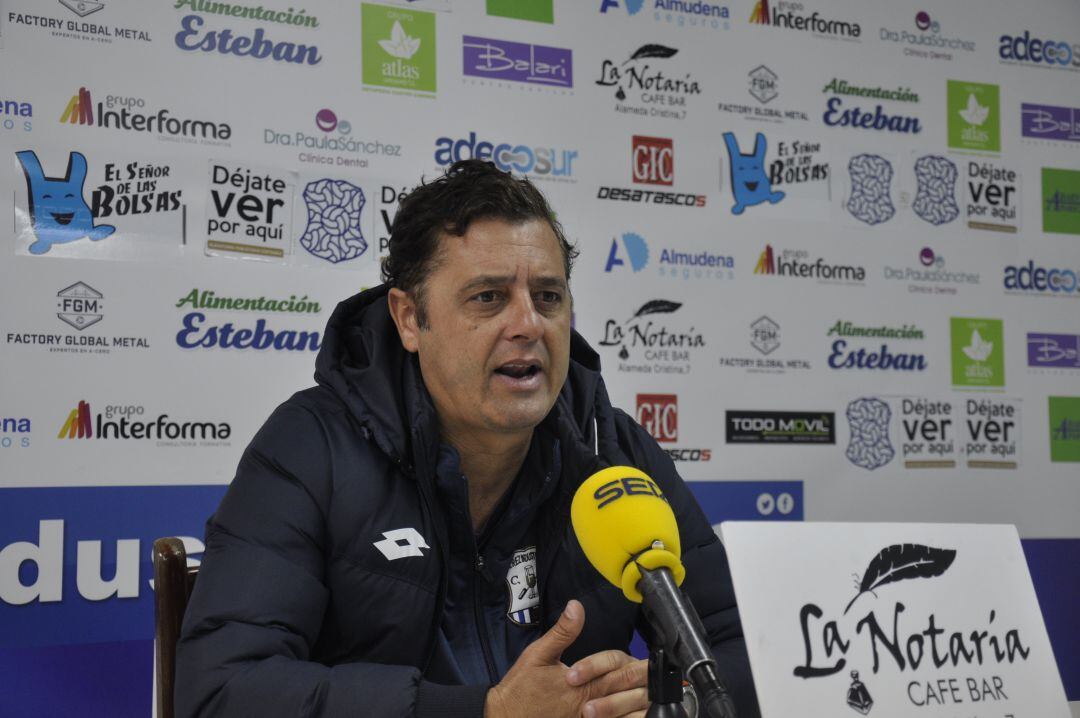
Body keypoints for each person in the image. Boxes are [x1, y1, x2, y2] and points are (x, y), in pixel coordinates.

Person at [176, 160, 760, 718]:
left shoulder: (612, 452)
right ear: (409, 319)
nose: (528, 324)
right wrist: (482, 712)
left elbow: (750, 649)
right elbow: (223, 692)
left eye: (548, 298)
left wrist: (663, 702)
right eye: (489, 297)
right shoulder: (311, 449)